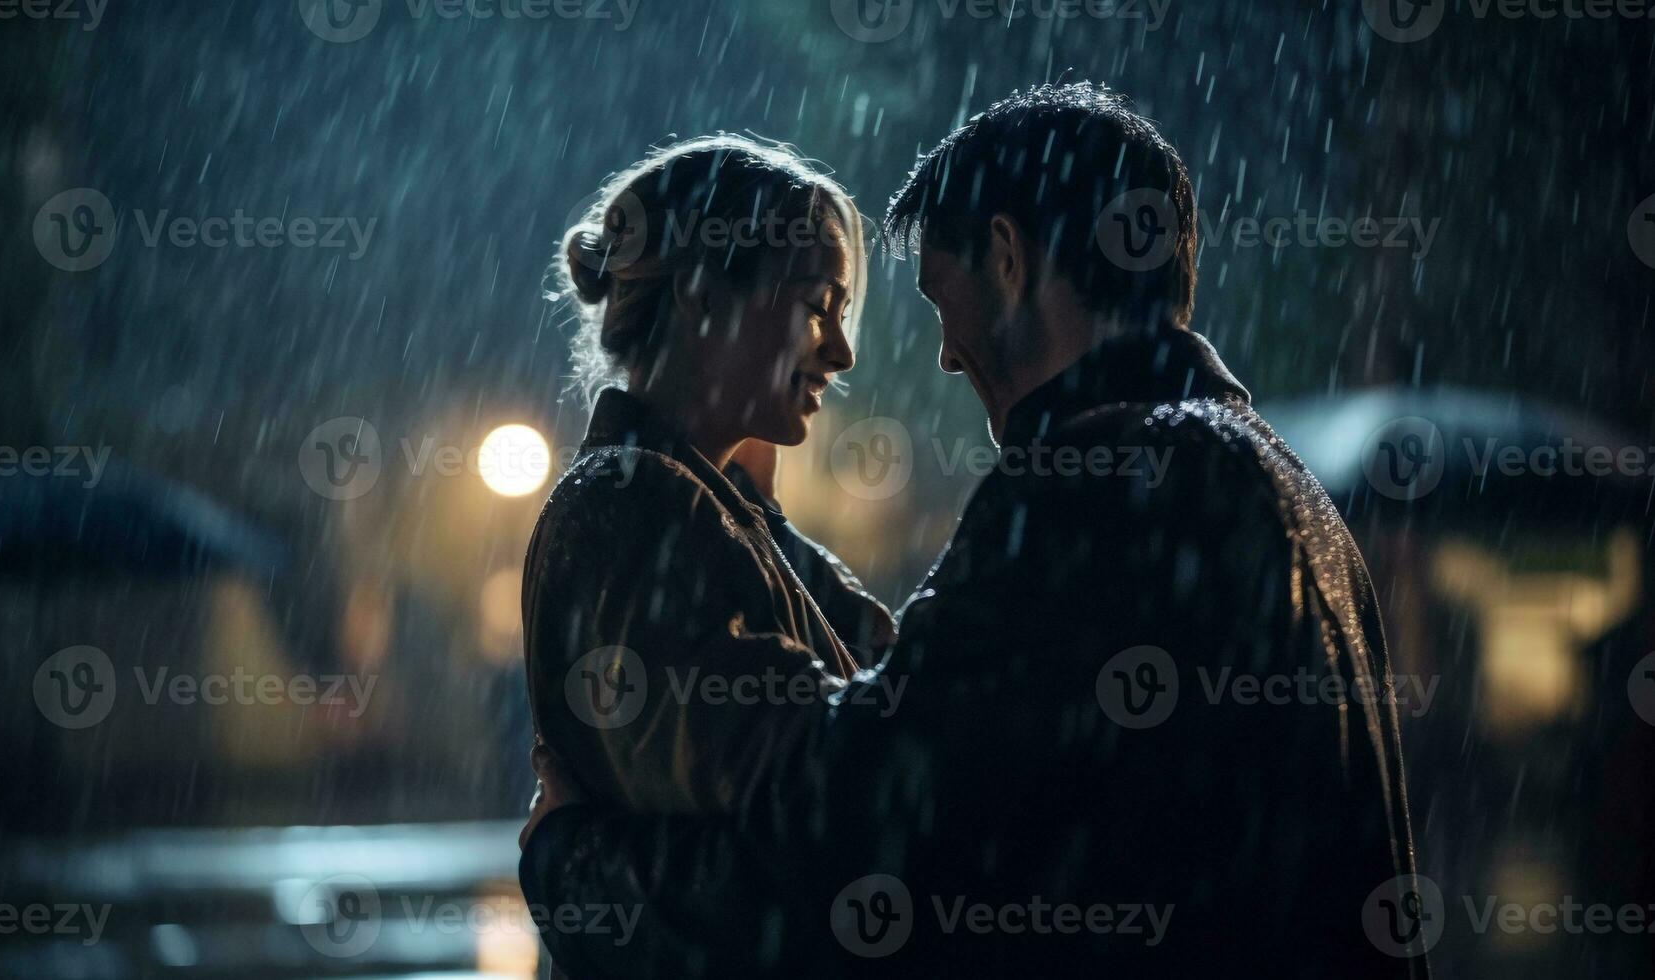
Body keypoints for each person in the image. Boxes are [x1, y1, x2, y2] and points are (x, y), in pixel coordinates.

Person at [519, 82, 1428, 979]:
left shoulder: (1091, 490)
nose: (948, 353)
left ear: (1005, 259)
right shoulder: (1274, 483)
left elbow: (863, 829)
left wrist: (572, 863)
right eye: (819, 307)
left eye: (939, 299)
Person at [522, 135, 892, 822]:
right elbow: (812, 786)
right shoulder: (634, 505)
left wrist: (763, 522)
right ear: (699, 293)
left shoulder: (683, 502)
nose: (840, 353)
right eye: (817, 306)